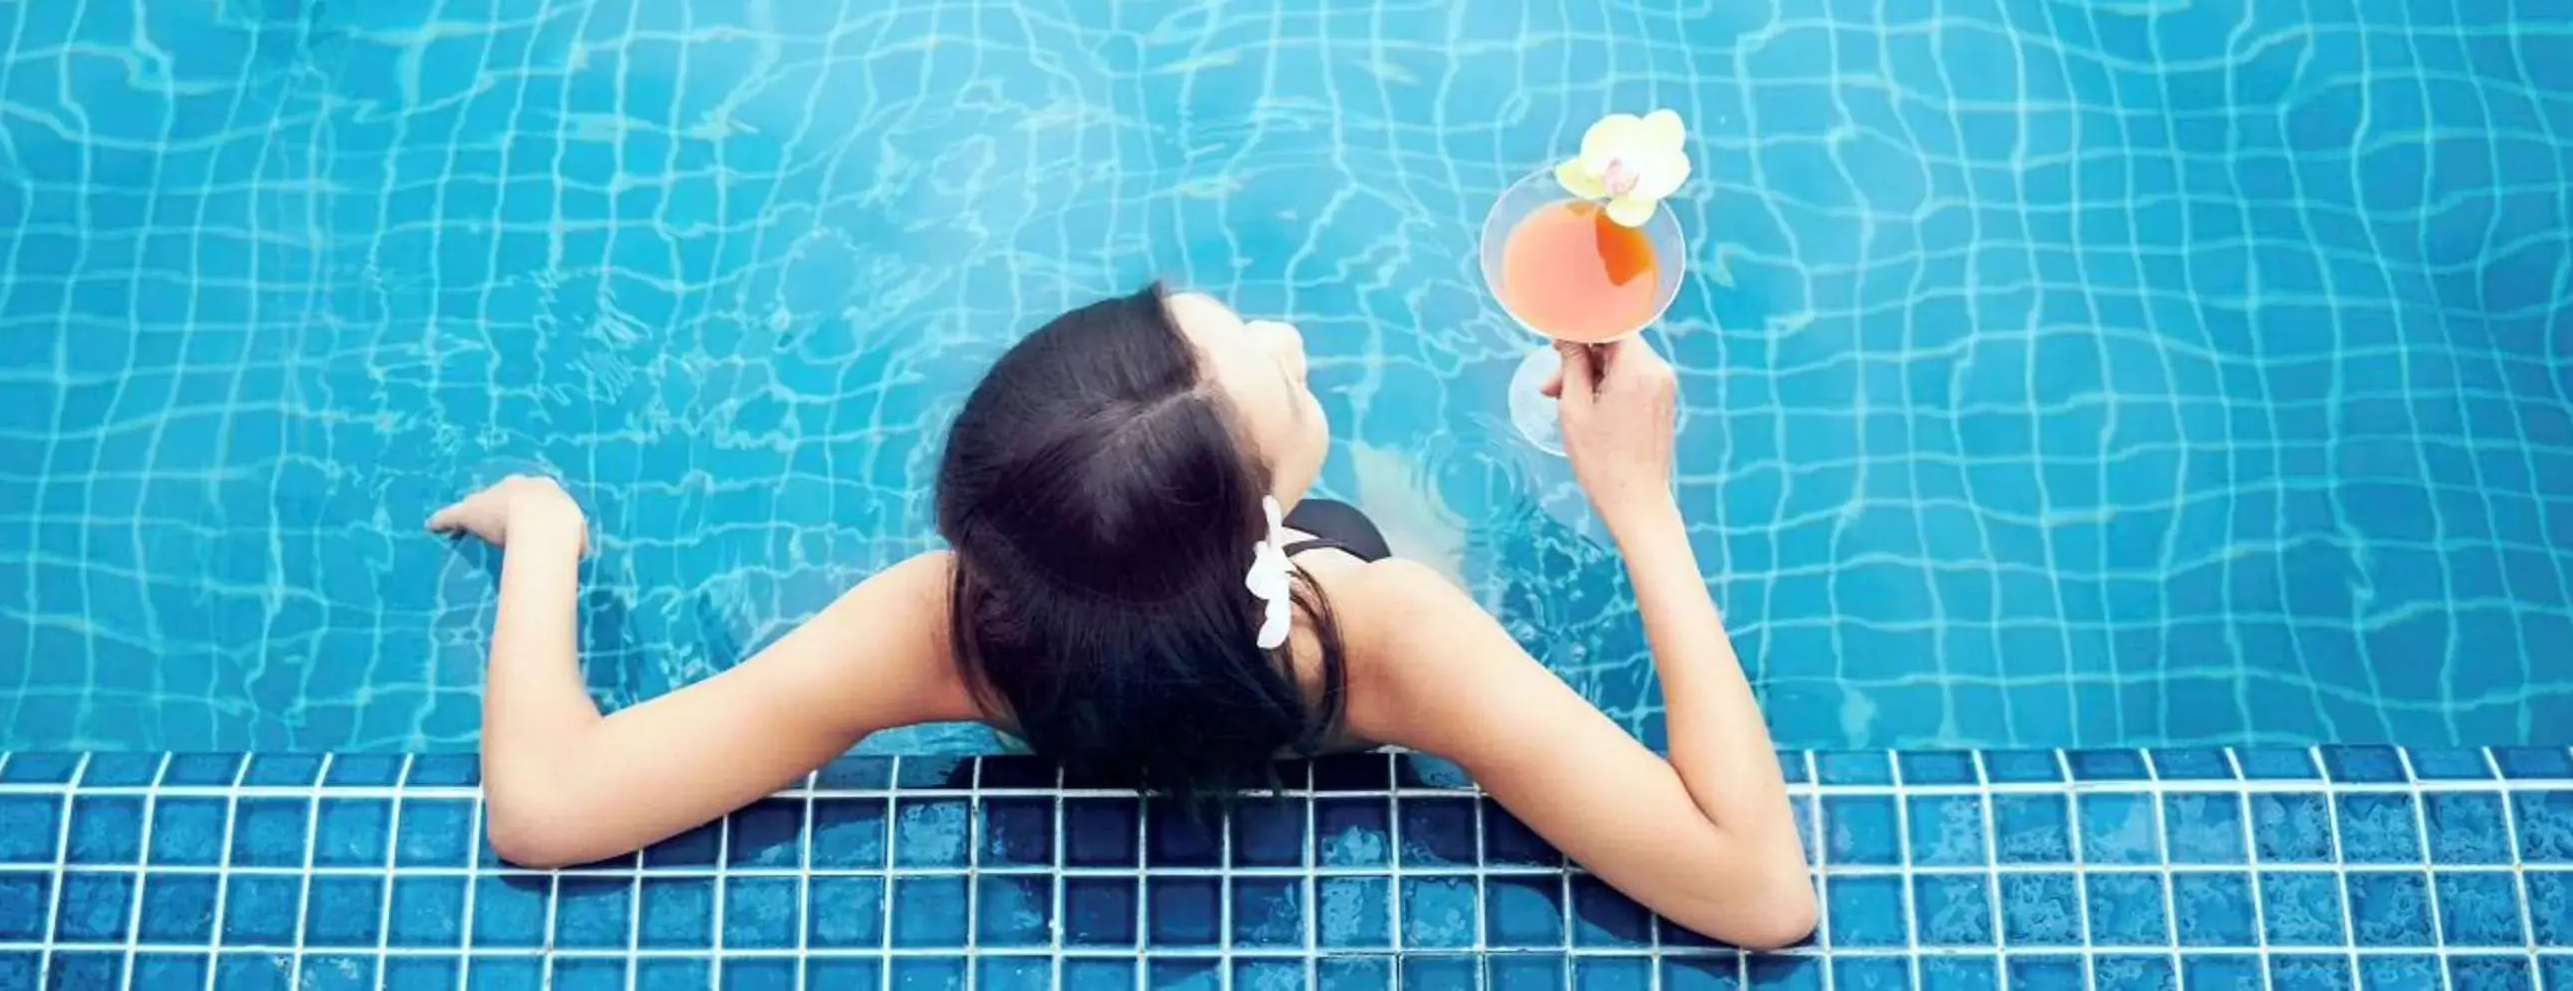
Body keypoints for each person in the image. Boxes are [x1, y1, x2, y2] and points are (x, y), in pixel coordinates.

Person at [428, 286, 1816, 949]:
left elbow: (546, 805)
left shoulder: (946, 625)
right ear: (1265, 536)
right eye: (1275, 385)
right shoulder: (1385, 637)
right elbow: (1761, 893)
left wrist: (546, 533)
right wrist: (1639, 501)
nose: (1286, 333)